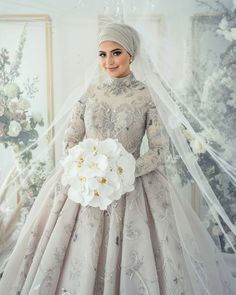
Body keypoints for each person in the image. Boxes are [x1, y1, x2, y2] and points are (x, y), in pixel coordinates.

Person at [0, 22, 235, 295]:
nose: (109, 61)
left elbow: (160, 150)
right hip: (84, 188)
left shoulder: (146, 95)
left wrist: (126, 170)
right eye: (102, 54)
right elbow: (71, 141)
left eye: (116, 52)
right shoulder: (90, 93)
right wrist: (84, 168)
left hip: (134, 187)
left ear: (131, 54)